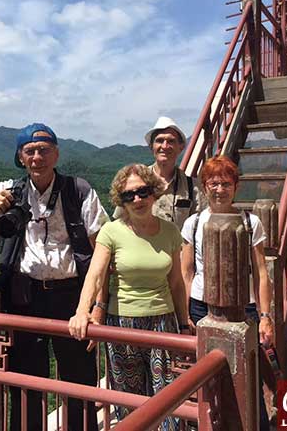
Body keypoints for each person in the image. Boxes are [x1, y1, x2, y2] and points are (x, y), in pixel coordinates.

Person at [0, 123, 109, 431]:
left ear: (56, 154)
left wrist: (98, 305)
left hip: (72, 296)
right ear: (20, 157)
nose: (37, 157)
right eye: (29, 151)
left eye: (44, 150)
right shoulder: (11, 190)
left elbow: (103, 250)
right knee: (26, 380)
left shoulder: (78, 190)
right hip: (25, 296)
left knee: (79, 378)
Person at [68, 164, 190, 431]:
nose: (137, 200)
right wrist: (82, 311)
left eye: (142, 192)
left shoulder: (170, 232)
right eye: (128, 195)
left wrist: (183, 321)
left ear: (154, 193)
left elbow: (177, 282)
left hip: (162, 323)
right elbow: (95, 274)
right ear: (120, 200)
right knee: (129, 403)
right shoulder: (111, 231)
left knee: (168, 401)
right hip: (122, 323)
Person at [180, 155, 273, 430]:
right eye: (213, 183)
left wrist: (265, 315)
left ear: (236, 186)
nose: (219, 189)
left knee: (248, 374)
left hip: (243, 307)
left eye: (225, 183)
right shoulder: (193, 223)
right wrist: (186, 310)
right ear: (204, 187)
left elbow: (261, 272)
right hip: (200, 305)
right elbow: (186, 272)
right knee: (206, 375)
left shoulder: (250, 222)